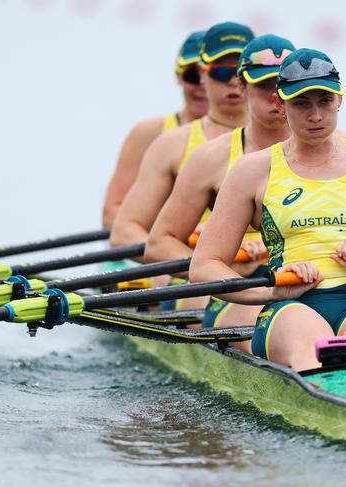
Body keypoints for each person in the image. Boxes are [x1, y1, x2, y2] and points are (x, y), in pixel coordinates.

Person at [189, 48, 346, 371]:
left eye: (324, 101)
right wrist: (271, 289)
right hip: (290, 305)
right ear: (280, 105)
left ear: (340, 99)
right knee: (312, 356)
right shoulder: (252, 172)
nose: (315, 115)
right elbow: (204, 267)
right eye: (301, 103)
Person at [144, 34, 295, 348]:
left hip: (310, 283)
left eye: (284, 85)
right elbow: (159, 244)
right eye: (264, 86)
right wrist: (221, 268)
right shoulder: (211, 156)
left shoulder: (344, 153)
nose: (276, 96)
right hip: (236, 288)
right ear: (244, 88)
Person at [109, 21, 254, 250]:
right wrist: (180, 246)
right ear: (199, 74)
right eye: (220, 71)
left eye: (239, 72)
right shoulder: (163, 139)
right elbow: (118, 223)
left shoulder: (293, 137)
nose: (232, 81)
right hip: (191, 263)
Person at [102, 31, 208, 228]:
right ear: (178, 76)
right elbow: (111, 214)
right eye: (194, 75)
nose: (203, 85)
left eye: (217, 75)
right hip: (174, 250)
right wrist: (177, 237)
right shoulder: (148, 133)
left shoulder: (258, 133)